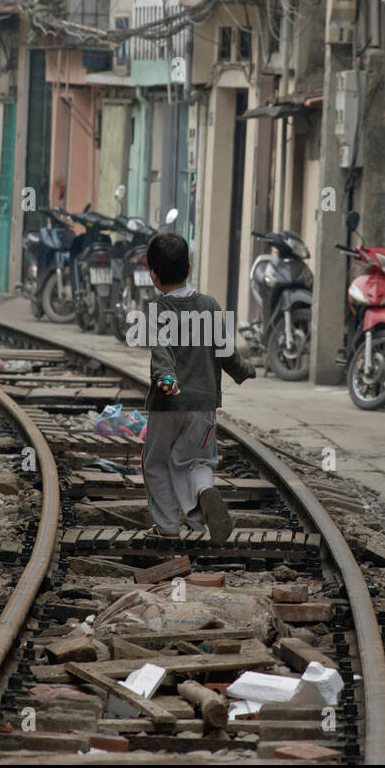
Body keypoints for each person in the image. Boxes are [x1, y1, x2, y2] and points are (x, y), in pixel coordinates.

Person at [140, 232, 255, 541]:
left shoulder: (158, 311)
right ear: (189, 267)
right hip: (203, 406)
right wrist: (244, 371)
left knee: (155, 462)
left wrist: (168, 381)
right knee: (197, 460)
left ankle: (167, 527)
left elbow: (161, 355)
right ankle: (204, 490)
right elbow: (227, 352)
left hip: (167, 405)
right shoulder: (210, 305)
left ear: (153, 274)